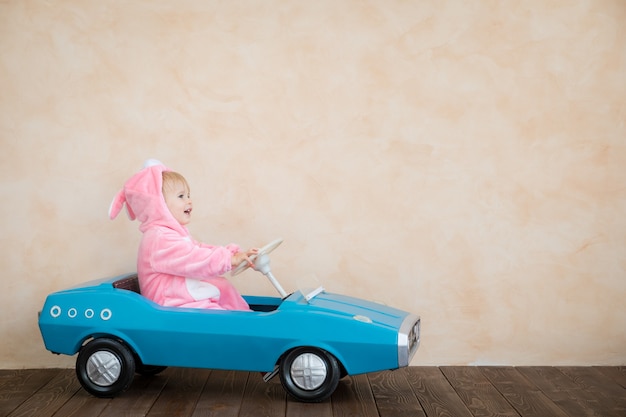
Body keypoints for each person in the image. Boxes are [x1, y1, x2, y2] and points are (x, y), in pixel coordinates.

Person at [109, 160, 257, 310]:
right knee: (218, 316)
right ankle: (242, 327)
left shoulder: (171, 233)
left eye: (188, 195)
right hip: (170, 306)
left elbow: (198, 248)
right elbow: (193, 258)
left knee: (222, 286)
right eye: (181, 196)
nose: (189, 201)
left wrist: (232, 255)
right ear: (158, 204)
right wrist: (228, 259)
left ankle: (247, 320)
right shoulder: (159, 238)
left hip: (183, 301)